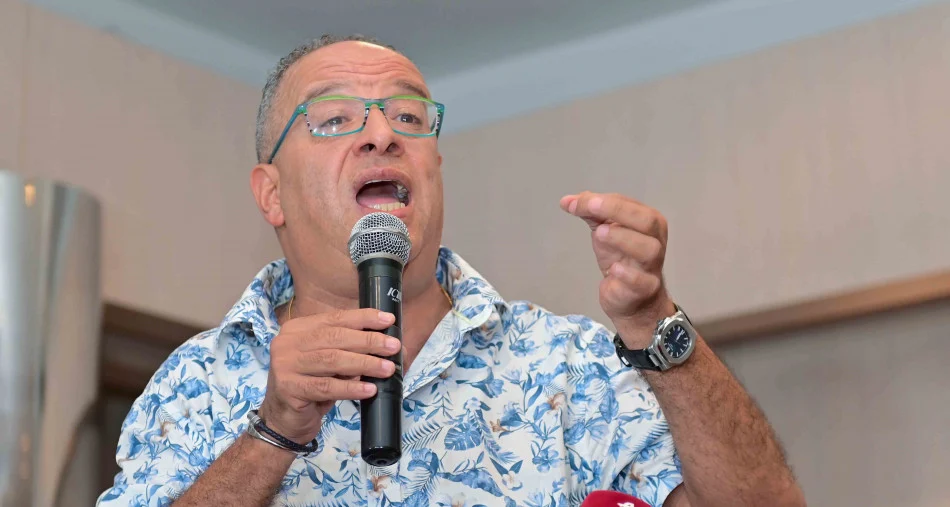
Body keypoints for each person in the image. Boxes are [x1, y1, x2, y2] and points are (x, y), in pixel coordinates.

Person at [97, 34, 805, 507]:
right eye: (335, 119)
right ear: (271, 195)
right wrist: (273, 432)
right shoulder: (197, 382)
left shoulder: (567, 366)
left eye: (408, 116)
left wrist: (656, 325)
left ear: (435, 165)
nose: (382, 134)